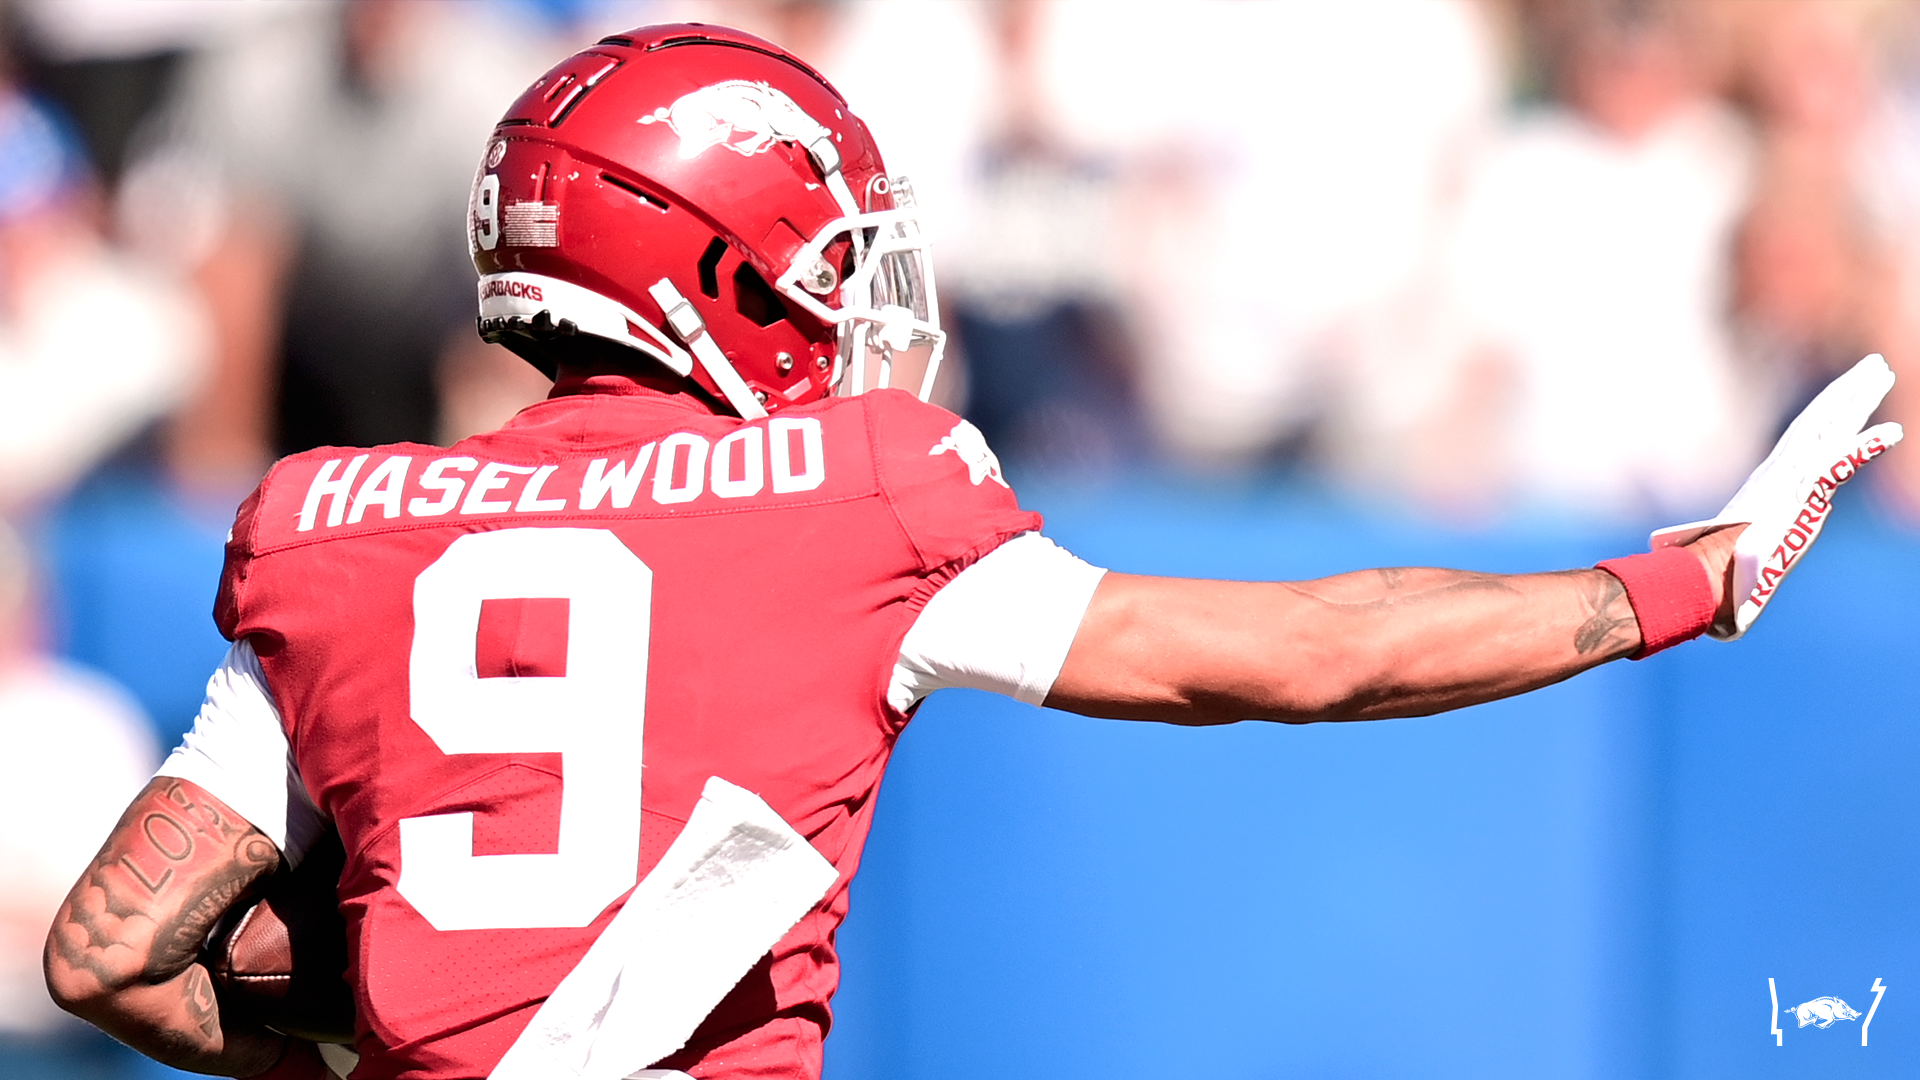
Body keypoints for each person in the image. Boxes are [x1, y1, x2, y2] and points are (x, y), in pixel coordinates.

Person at [40, 24, 1899, 1080]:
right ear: (704, 270)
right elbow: (1304, 653)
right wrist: (1682, 584)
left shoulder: (324, 526)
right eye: (820, 258)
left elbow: (113, 955)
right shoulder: (854, 489)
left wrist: (383, 1051)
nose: (849, 304)